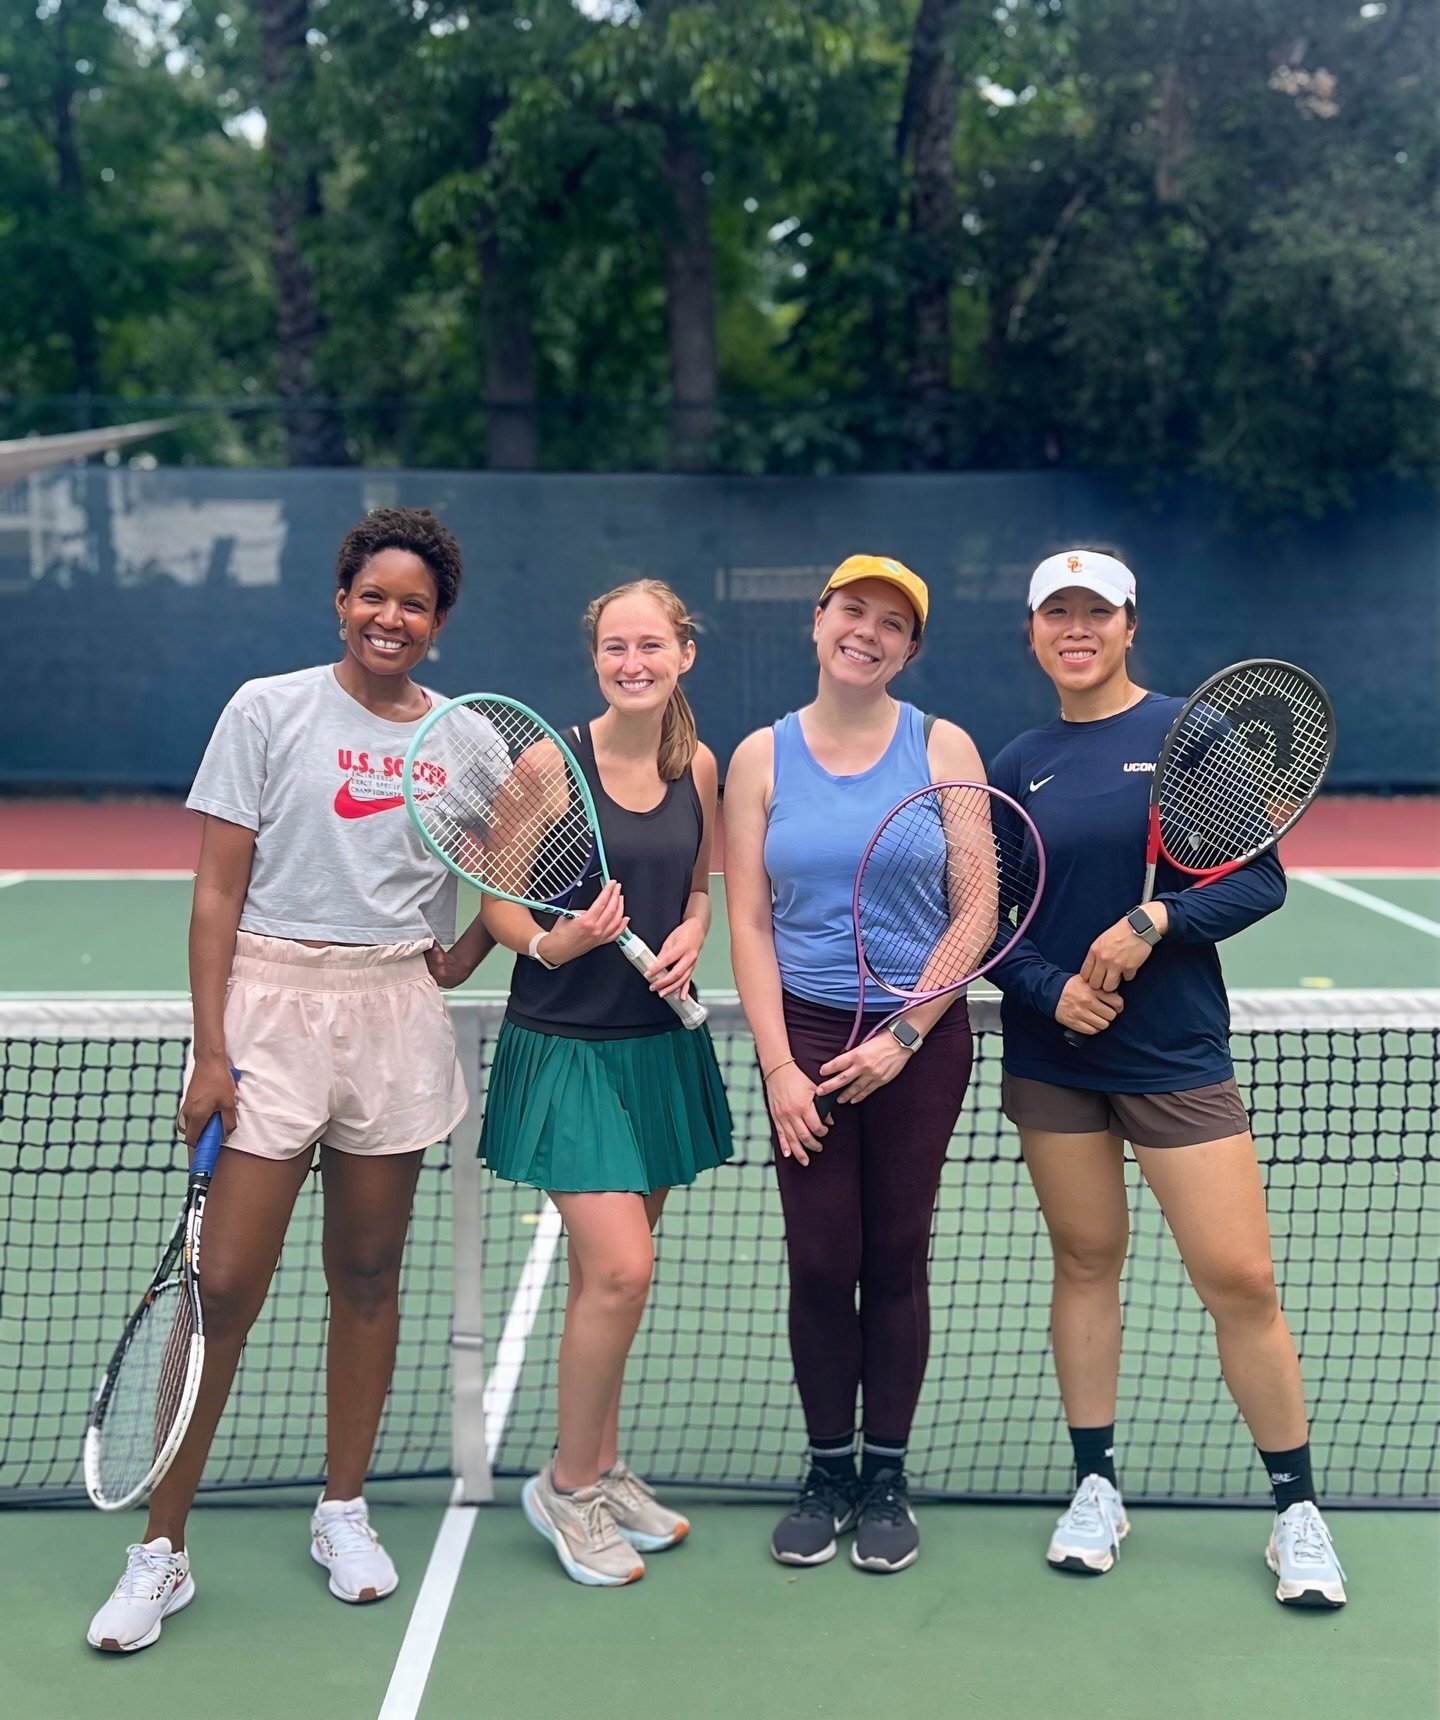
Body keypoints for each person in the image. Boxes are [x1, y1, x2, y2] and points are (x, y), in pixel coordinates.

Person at [87, 507, 492, 1653]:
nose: (390, 617)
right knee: (220, 1289)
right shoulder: (268, 710)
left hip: (393, 1010)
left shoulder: (466, 739)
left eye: (414, 604)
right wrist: (213, 1051)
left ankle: (342, 1509)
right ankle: (160, 1549)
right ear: (341, 599)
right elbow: (217, 891)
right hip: (268, 1012)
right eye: (374, 595)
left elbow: (509, 864)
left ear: (439, 622)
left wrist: (467, 950)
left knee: (367, 1273)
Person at [987, 547, 1347, 1608]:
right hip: (1056, 1056)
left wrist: (1157, 918)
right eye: (1058, 612)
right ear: (1033, 632)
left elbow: (1258, 881)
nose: (1077, 628)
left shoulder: (1195, 733)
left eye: (1096, 611)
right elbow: (991, 921)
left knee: (1240, 1278)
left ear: (1130, 625)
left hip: (1175, 1054)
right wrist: (1050, 988)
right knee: (1085, 1259)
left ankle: (1297, 1510)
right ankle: (1095, 1486)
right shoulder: (1018, 762)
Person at [725, 555, 985, 1575]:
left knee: (898, 1254)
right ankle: (828, 1467)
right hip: (806, 1036)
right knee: (823, 1260)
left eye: (891, 624)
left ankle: (885, 1475)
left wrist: (908, 1031)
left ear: (909, 650)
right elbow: (750, 923)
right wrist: (781, 1067)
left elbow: (976, 908)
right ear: (819, 619)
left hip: (921, 1040)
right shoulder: (760, 757)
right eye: (852, 610)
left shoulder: (942, 745)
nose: (866, 632)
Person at [477, 578, 732, 1588]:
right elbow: (497, 903)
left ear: (684, 654)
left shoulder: (697, 763)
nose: (634, 662)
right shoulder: (550, 763)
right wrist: (560, 940)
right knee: (624, 1268)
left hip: (655, 1047)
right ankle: (569, 1487)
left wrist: (693, 934)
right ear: (596, 660)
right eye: (616, 647)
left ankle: (604, 1463)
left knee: (604, 1284)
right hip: (566, 1047)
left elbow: (698, 886)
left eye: (651, 645)